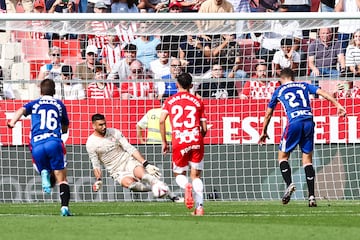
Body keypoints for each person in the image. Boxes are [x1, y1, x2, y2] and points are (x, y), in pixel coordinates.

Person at [258, 68, 346, 207]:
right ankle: (311, 197)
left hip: (294, 122)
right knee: (307, 160)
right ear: (293, 77)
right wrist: (338, 105)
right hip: (309, 122)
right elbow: (322, 92)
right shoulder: (303, 85)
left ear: (281, 78)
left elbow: (268, 114)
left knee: (282, 157)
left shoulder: (279, 90)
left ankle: (289, 184)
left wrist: (263, 131)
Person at [7, 79, 72, 216]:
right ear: (54, 91)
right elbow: (65, 126)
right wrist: (63, 129)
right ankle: (64, 207)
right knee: (62, 179)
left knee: (41, 164)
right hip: (53, 142)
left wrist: (12, 122)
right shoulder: (59, 104)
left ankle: (43, 171)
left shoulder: (35, 103)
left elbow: (21, 110)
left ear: (40, 91)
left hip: (36, 144)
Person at [86, 113, 182, 202]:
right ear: (94, 126)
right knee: (131, 185)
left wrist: (146, 164)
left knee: (144, 176)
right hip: (116, 170)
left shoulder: (114, 132)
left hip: (128, 161)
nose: (104, 127)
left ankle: (173, 196)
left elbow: (129, 148)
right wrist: (98, 180)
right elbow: (96, 164)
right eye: (101, 125)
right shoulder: (91, 143)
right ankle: (158, 188)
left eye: (105, 124)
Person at [159, 72, 208, 216]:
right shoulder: (198, 101)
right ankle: (199, 208)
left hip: (179, 140)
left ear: (176, 85)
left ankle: (186, 185)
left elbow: (161, 120)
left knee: (179, 174)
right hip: (196, 138)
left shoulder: (170, 101)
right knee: (196, 176)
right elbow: (204, 128)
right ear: (191, 85)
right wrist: (199, 137)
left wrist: (164, 142)